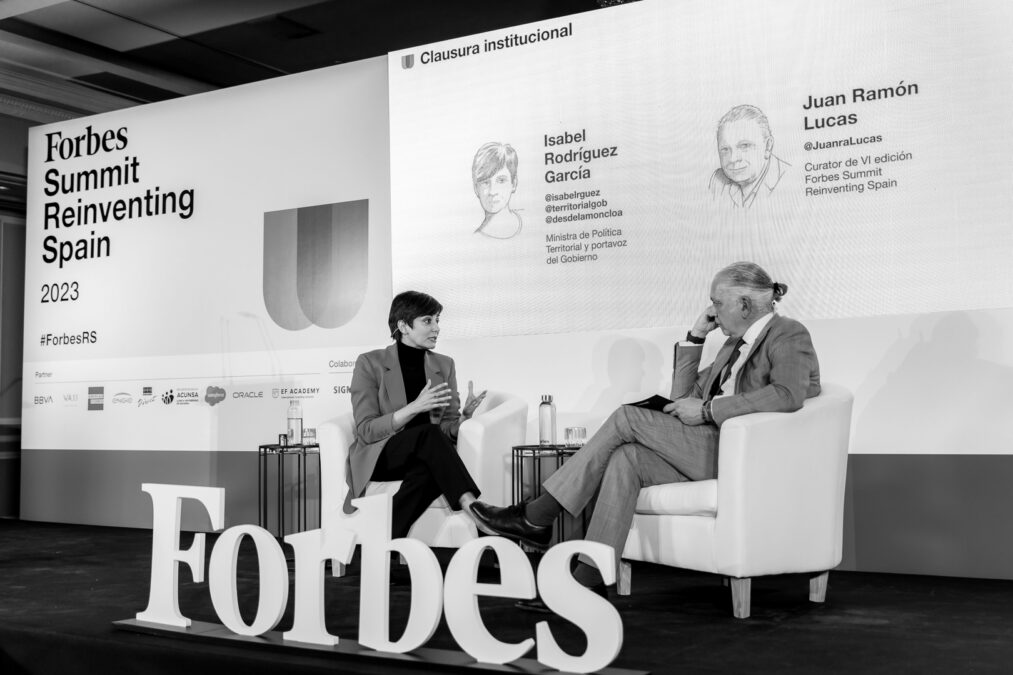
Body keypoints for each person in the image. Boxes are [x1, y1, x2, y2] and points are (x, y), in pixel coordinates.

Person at [470, 262, 820, 608]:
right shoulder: (731, 347)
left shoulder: (788, 334)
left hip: (740, 455)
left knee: (626, 417)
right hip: (707, 448)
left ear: (744, 305)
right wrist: (695, 338)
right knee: (626, 459)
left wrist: (707, 411)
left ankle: (537, 516)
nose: (712, 311)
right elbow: (683, 398)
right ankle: (587, 580)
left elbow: (788, 394)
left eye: (717, 302)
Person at [347, 290, 491, 539]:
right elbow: (367, 430)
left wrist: (463, 419)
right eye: (427, 321)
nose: (436, 328)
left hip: (427, 452)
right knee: (429, 435)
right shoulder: (370, 363)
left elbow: (447, 429)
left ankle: (383, 539)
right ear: (403, 326)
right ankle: (475, 510)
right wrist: (414, 407)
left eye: (437, 320)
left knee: (430, 466)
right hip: (383, 454)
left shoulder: (444, 365)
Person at [708, 105, 789, 209]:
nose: (733, 159)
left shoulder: (790, 180)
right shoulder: (718, 181)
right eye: (725, 149)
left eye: (744, 146)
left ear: (768, 146)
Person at [472, 142, 522, 239]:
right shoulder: (474, 240)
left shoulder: (530, 219)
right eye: (485, 182)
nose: (492, 191)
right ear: (476, 189)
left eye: (501, 180)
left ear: (514, 183)